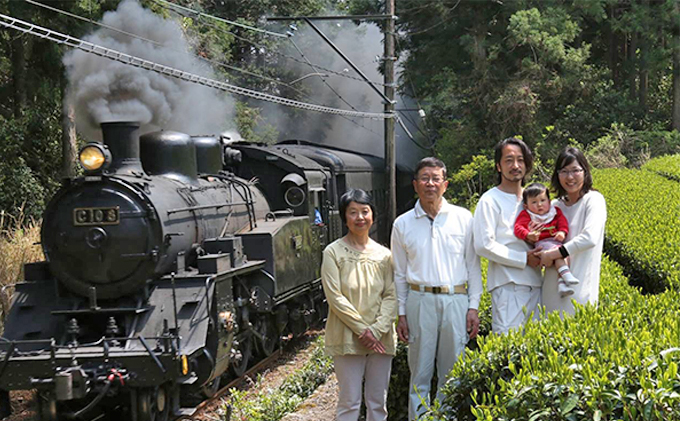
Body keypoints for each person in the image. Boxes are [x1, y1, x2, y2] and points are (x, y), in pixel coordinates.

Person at [391, 157, 482, 421]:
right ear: (415, 185)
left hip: (456, 300)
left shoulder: (464, 219)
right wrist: (402, 313)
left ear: (446, 184)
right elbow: (399, 273)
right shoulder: (402, 224)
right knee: (419, 373)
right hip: (419, 301)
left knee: (452, 374)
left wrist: (473, 306)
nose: (430, 183)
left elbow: (473, 266)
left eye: (436, 178)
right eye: (425, 178)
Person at [320, 189, 397, 421]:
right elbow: (335, 297)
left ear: (373, 215)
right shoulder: (333, 252)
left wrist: (375, 330)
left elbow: (392, 295)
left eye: (365, 211)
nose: (360, 217)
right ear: (345, 218)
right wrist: (363, 330)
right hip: (346, 336)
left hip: (380, 338)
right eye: (353, 212)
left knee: (377, 402)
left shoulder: (384, 255)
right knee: (349, 402)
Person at [473, 137, 543, 335]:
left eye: (520, 160)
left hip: (537, 284)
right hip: (509, 286)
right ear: (498, 166)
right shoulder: (490, 200)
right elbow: (483, 245)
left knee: (536, 352)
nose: (516, 165)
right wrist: (523, 259)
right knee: (510, 349)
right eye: (509, 160)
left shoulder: (533, 199)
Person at [539, 147, 607, 315]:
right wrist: (541, 254)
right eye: (564, 171)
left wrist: (554, 254)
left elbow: (589, 238)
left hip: (580, 290)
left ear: (585, 172)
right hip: (550, 289)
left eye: (575, 170)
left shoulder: (593, 200)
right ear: (557, 175)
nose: (570, 177)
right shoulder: (554, 206)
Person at [514, 182, 579, 297]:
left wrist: (562, 232)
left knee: (564, 254)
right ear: (526, 206)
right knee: (559, 253)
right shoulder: (527, 215)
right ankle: (566, 275)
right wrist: (528, 234)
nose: (539, 205)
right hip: (542, 244)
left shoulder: (555, 212)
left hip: (555, 242)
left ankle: (562, 283)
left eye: (542, 200)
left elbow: (562, 221)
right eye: (534, 202)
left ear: (549, 201)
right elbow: (518, 228)